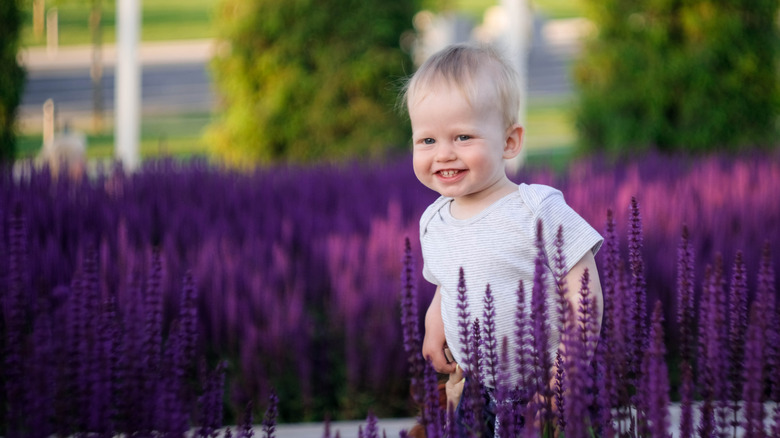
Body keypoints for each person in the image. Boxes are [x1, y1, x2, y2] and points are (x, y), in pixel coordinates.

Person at [401, 43, 604, 436]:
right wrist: (434, 323)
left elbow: (583, 288)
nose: (443, 154)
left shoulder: (536, 208)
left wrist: (569, 369)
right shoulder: (434, 220)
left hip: (547, 389)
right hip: (476, 392)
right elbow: (451, 278)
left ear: (510, 142)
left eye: (462, 137)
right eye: (427, 141)